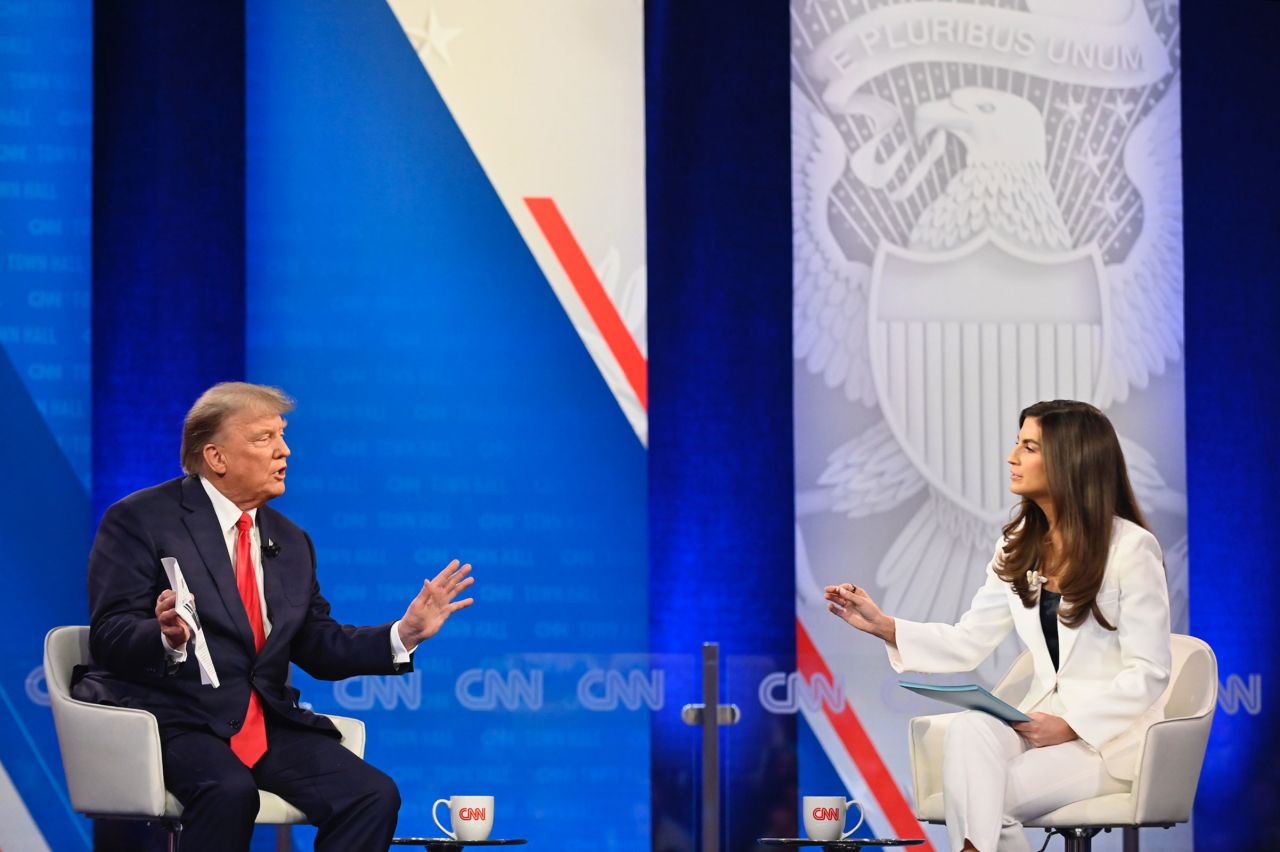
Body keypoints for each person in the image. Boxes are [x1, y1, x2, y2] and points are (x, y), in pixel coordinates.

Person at [73, 382, 475, 851]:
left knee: (371, 794)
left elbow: (317, 644)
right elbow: (109, 634)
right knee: (229, 791)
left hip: (259, 725)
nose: (285, 450)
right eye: (264, 438)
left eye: (282, 436)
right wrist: (166, 638)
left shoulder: (291, 541)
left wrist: (401, 635)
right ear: (216, 457)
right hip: (172, 718)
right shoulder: (140, 519)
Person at [824, 400, 1171, 852]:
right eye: (1017, 443)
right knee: (971, 730)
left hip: (1108, 741)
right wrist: (886, 627)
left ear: (1071, 461)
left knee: (986, 800)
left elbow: (1150, 671)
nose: (1012, 457)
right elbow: (970, 641)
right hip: (1037, 723)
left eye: (1029, 447)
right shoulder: (1016, 544)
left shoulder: (1130, 549)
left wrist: (1072, 725)